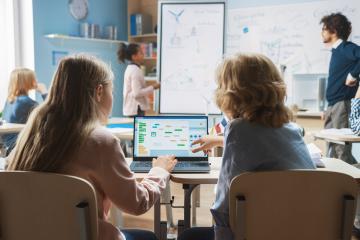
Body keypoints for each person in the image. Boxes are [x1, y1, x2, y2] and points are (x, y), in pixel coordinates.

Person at [6, 55, 177, 240]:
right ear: (99, 91)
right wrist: (158, 171)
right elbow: (137, 203)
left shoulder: (29, 136)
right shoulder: (100, 141)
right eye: (112, 91)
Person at [187, 53, 315, 240]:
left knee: (189, 236)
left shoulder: (237, 129)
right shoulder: (293, 129)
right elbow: (262, 141)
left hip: (255, 232)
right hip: (301, 230)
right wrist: (219, 140)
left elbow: (223, 208)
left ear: (230, 94)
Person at [320, 12, 360, 164]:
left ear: (334, 31)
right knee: (330, 149)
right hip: (333, 105)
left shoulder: (345, 47)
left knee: (341, 150)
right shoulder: (336, 51)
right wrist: (327, 108)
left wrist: (354, 74)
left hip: (342, 105)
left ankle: (353, 182)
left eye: (324, 29)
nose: (322, 33)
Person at [2, 68, 47, 155]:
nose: (37, 80)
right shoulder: (26, 102)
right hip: (18, 145)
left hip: (8, 145)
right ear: (27, 81)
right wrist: (44, 91)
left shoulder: (10, 100)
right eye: (34, 78)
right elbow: (50, 114)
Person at [117, 43, 160, 116]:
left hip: (134, 109)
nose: (143, 54)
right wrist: (154, 87)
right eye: (140, 52)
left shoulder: (131, 68)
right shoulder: (135, 70)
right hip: (136, 109)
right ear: (134, 56)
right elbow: (137, 93)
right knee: (139, 127)